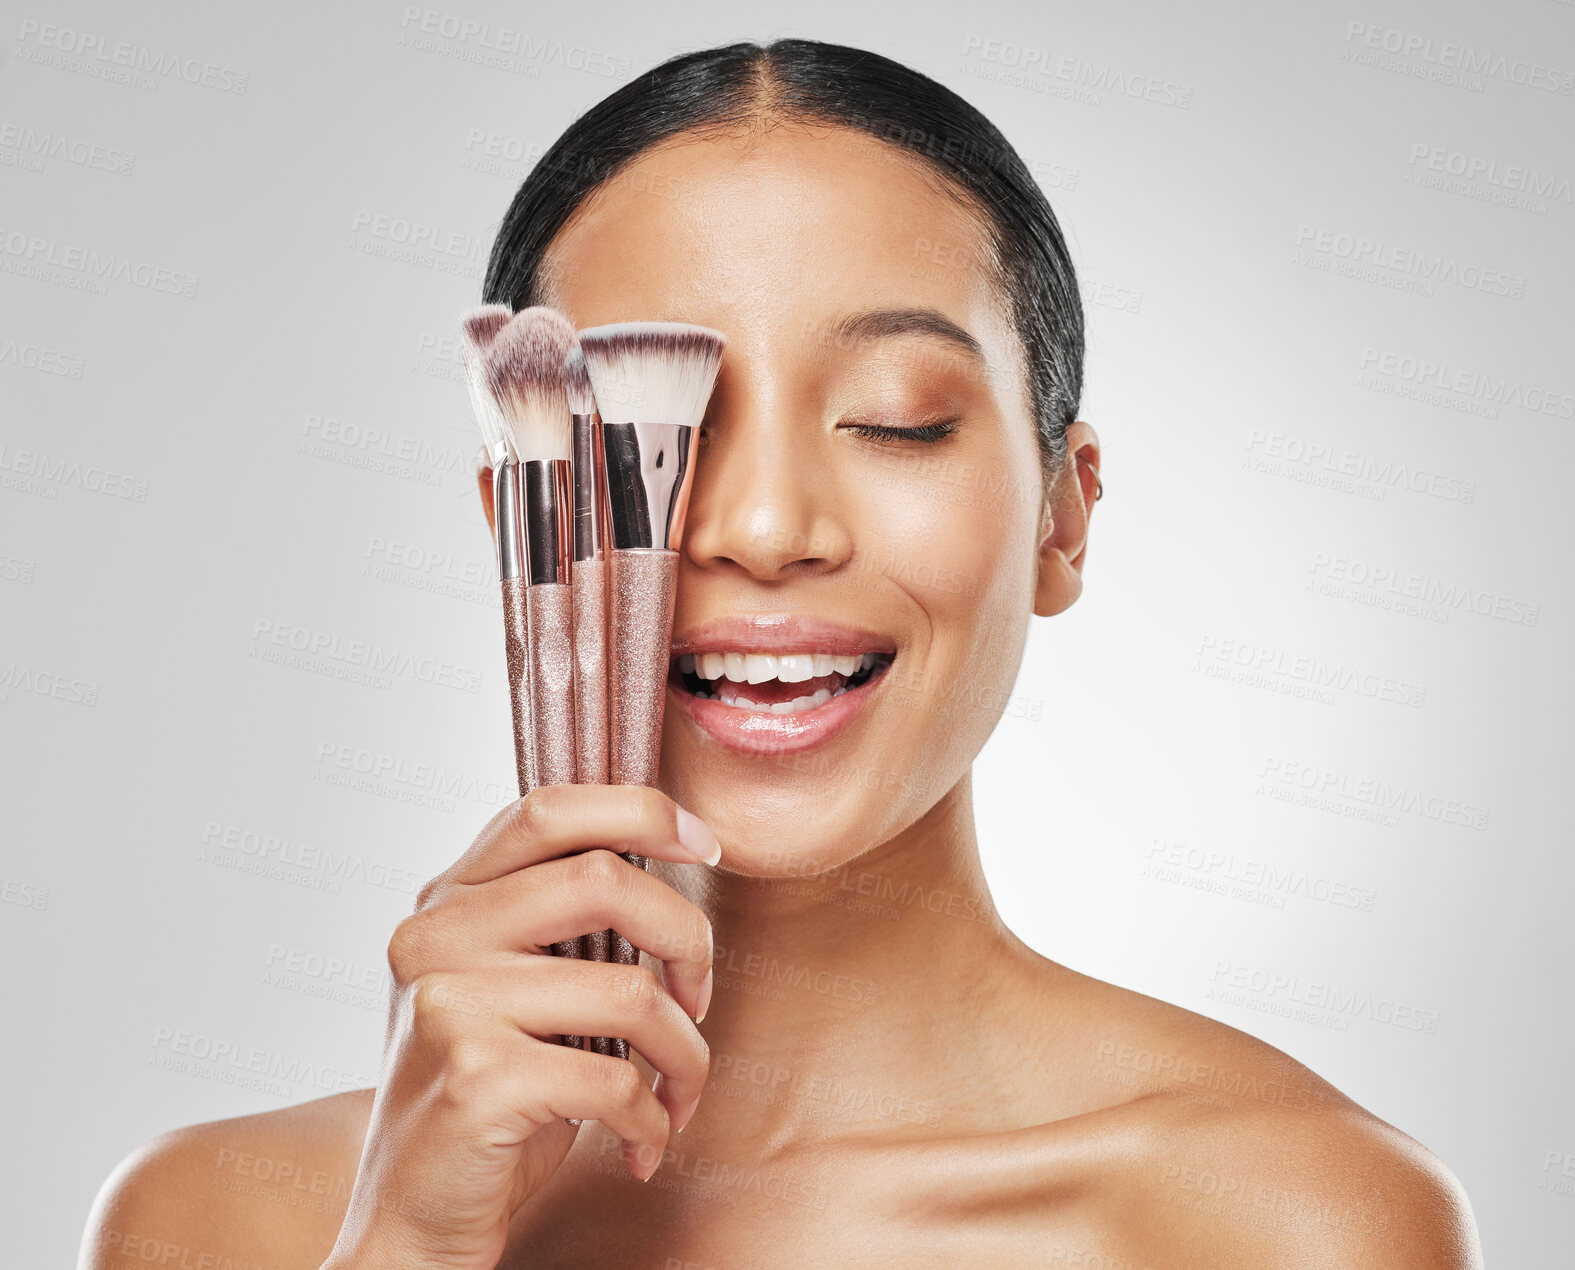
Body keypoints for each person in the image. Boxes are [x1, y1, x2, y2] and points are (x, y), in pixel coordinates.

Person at [81, 39, 1481, 1269]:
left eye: (895, 417)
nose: (762, 525)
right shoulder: (221, 1221)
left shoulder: (1295, 1220)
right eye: (652, 444)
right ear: (521, 517)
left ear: (1064, 514)